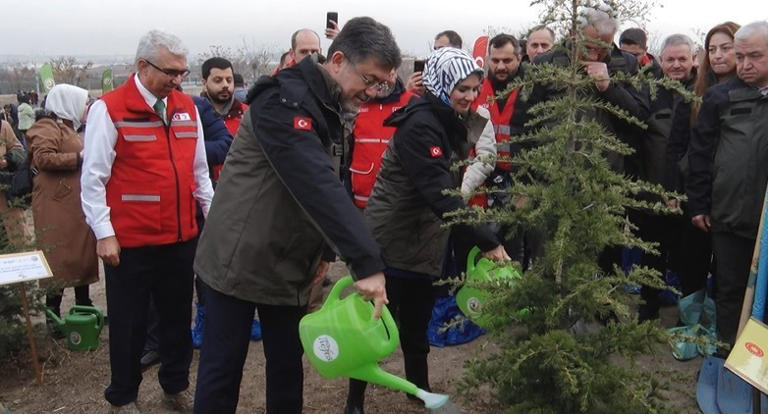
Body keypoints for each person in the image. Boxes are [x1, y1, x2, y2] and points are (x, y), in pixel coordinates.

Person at [192, 17, 398, 413]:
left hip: (289, 263)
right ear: (338, 60)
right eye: (369, 80)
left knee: (287, 368)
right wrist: (366, 261)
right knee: (222, 371)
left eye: (382, 85)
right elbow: (314, 181)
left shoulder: (333, 107)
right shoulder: (281, 101)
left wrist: (322, 253)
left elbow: (333, 183)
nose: (372, 93)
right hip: (237, 259)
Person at [345, 47, 509, 413]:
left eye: (473, 88)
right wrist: (487, 240)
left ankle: (418, 389)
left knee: (417, 325)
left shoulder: (450, 119)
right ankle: (354, 400)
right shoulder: (420, 126)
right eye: (461, 88)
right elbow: (441, 194)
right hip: (392, 239)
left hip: (424, 238)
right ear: (440, 85)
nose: (469, 96)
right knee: (372, 324)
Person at [81, 29, 214, 412]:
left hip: (180, 239)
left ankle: (175, 387)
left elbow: (200, 172)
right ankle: (123, 398)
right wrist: (104, 234)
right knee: (129, 326)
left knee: (177, 321)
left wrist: (213, 219)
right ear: (142, 65)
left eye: (182, 72)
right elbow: (93, 180)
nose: (177, 79)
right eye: (170, 71)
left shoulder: (187, 108)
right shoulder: (110, 109)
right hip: (131, 244)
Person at [687, 21, 768, 350]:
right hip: (730, 214)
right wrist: (699, 204)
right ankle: (728, 355)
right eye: (741, 56)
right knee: (730, 289)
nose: (745, 65)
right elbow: (700, 154)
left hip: (765, 219)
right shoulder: (721, 96)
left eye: (756, 57)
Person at [666, 22, 739, 298]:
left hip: (731, 197)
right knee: (692, 265)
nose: (718, 55)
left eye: (725, 48)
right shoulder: (694, 93)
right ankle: (689, 327)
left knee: (727, 272)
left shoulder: (752, 95)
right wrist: (674, 190)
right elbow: (677, 146)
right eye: (712, 49)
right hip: (695, 193)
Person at [24, 84, 98, 333]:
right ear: (67, 102)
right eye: (82, 102)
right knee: (58, 258)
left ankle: (84, 308)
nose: (86, 107)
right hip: (55, 205)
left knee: (81, 254)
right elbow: (43, 158)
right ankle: (52, 317)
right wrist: (80, 158)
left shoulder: (69, 128)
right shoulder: (46, 126)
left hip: (73, 204)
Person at [635, 34, 697, 321]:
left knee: (689, 259)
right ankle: (648, 307)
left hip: (690, 195)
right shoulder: (649, 90)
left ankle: (689, 316)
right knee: (652, 253)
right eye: (670, 59)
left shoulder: (703, 91)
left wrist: (681, 190)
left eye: (682, 59)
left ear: (693, 60)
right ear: (660, 60)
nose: (676, 65)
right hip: (653, 193)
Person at [0, 119, 32, 248]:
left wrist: (7, 160)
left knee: (16, 236)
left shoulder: (3, 126)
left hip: (4, 192)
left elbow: (18, 149)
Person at [407, 30, 464, 96]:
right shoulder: (429, 76)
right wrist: (409, 92)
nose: (436, 53)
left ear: (456, 51)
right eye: (435, 49)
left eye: (441, 49)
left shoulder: (467, 79)